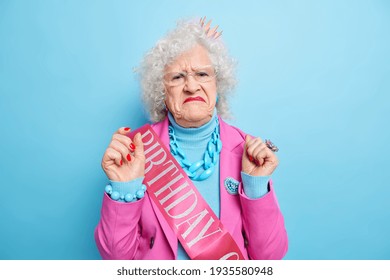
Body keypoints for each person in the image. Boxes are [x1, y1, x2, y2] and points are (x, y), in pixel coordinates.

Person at [95, 17, 288, 260]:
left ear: (218, 84)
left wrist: (256, 187)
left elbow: (269, 259)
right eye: (177, 77)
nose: (191, 86)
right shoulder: (136, 150)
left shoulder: (247, 150)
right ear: (161, 91)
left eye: (202, 73)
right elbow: (116, 260)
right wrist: (125, 188)